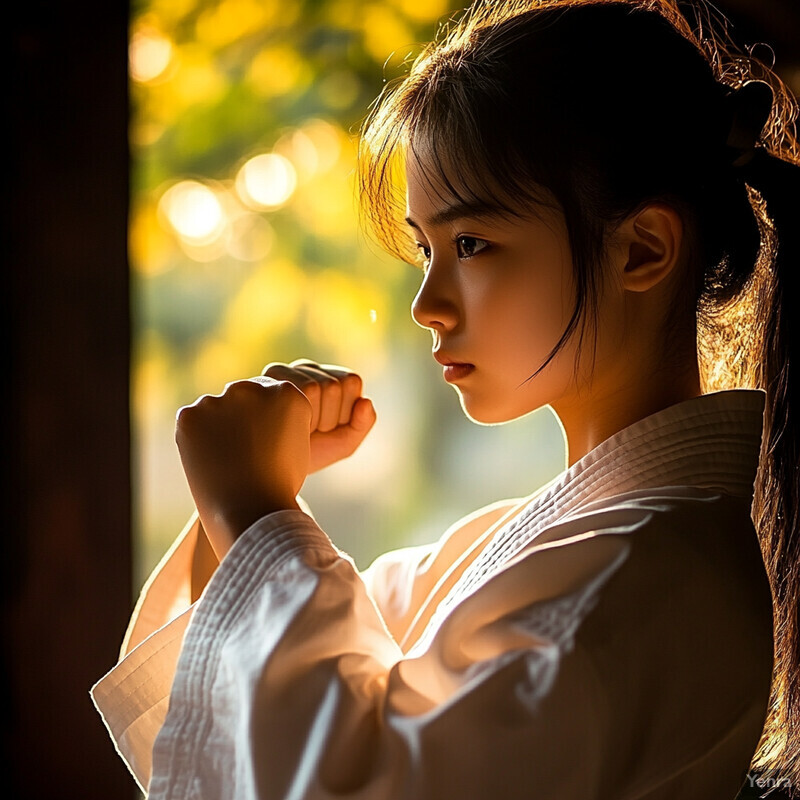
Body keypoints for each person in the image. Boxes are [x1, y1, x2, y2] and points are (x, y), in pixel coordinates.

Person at [92, 0, 800, 797]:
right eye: (427, 248)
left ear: (642, 249)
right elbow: (304, 674)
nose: (426, 302)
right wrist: (250, 505)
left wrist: (254, 509)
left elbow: (365, 778)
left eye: (471, 245)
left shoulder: (654, 581)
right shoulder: (557, 544)